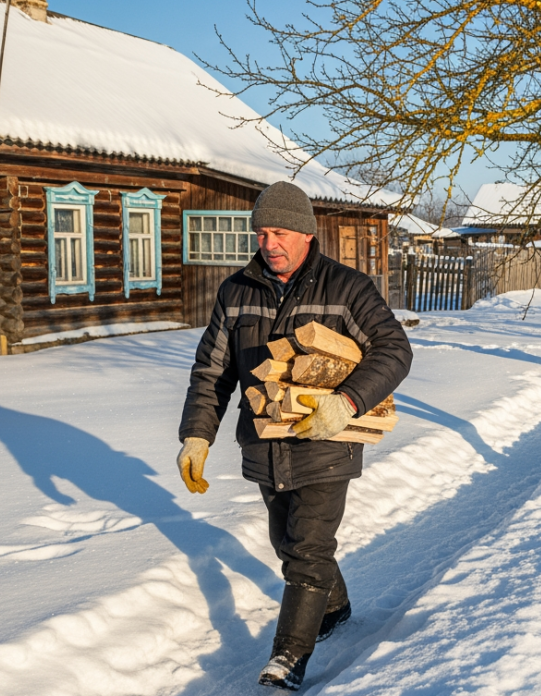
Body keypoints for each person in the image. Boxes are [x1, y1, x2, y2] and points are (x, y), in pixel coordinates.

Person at [175, 181, 412, 690]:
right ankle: (335, 606)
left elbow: (394, 350)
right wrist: (197, 435)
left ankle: (288, 657)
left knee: (306, 548)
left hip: (327, 442)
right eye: (261, 233)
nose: (269, 243)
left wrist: (347, 402)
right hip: (264, 442)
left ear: (306, 233)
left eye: (280, 232)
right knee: (287, 542)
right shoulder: (236, 291)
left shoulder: (347, 288)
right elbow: (212, 371)